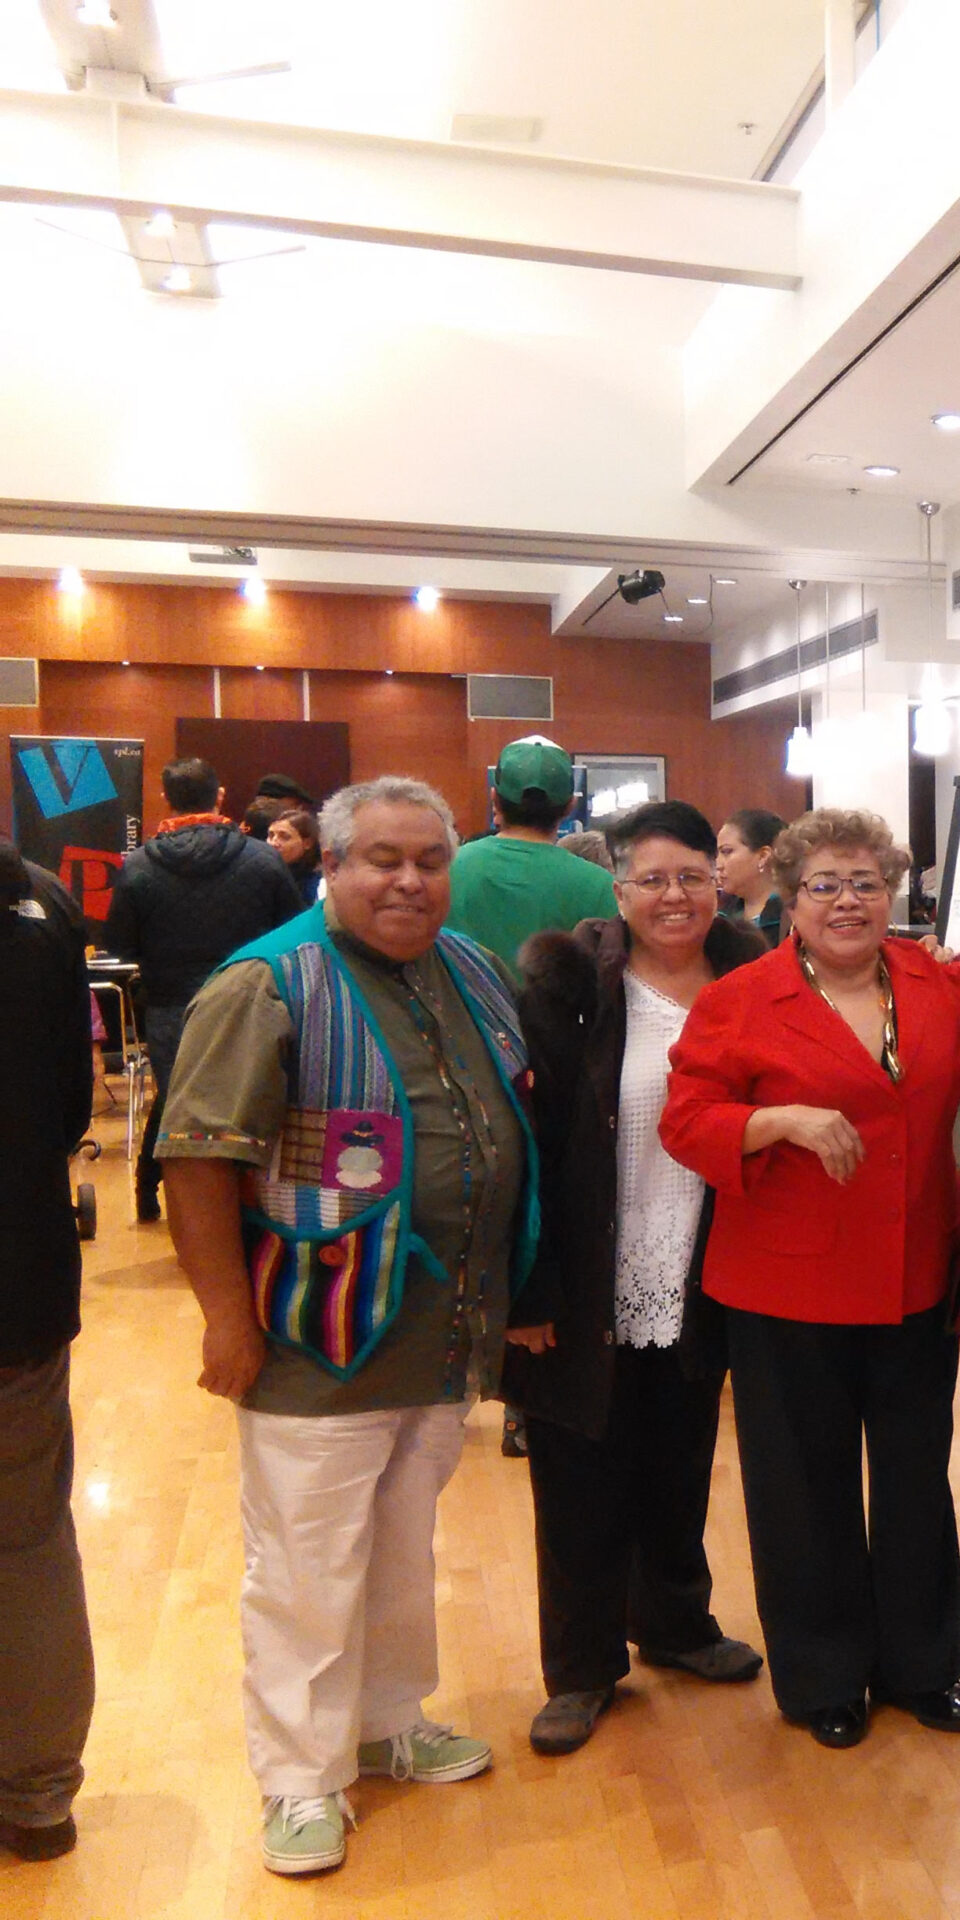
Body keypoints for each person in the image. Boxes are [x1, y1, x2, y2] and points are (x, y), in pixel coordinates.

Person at [156, 776, 535, 1878]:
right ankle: (297, 1778)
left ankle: (384, 1723)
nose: (409, 880)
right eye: (380, 858)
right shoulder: (264, 982)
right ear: (329, 866)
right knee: (303, 1564)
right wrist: (227, 1318)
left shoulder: (468, 968)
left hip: (436, 1330)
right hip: (312, 1337)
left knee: (400, 1547)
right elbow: (196, 1159)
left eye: (428, 859)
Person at [660, 809, 960, 1751]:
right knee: (802, 1490)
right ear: (790, 897)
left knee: (916, 1481)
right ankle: (822, 1675)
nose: (848, 902)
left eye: (866, 884)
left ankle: (925, 1665)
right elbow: (685, 1123)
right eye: (825, 885)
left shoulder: (943, 984)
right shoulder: (739, 999)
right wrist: (777, 1124)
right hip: (784, 1290)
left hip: (917, 1276)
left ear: (894, 895)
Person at [504, 802, 767, 1757]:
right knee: (578, 1464)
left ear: (719, 879)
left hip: (702, 1263)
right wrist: (527, 1289)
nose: (674, 896)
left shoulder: (753, 974)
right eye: (651, 878)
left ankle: (675, 1623)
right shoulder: (569, 983)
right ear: (616, 888)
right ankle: (578, 1669)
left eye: (692, 876)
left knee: (680, 1452)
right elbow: (529, 1143)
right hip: (588, 1261)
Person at [0, 848, 98, 1862]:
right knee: (25, 1538)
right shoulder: (43, 924)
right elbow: (71, 1110)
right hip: (17, 1279)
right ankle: (36, 1792)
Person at [103, 756, 304, 1223]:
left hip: (171, 1003)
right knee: (251, 1102)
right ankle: (246, 1210)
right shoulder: (263, 860)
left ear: (166, 799)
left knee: (180, 1106)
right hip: (251, 1000)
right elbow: (295, 931)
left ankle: (163, 1198)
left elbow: (118, 943)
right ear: (219, 795)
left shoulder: (137, 866)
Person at [444, 736, 616, 983]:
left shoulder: (447, 870)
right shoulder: (599, 885)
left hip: (462, 1020)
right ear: (571, 806)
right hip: (560, 1022)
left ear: (494, 798)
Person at [715, 807, 788, 949]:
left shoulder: (792, 915)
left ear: (763, 856)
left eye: (727, 852)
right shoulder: (721, 915)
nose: (718, 864)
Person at [266, 809, 324, 906]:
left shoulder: (319, 885)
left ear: (307, 843)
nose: (274, 843)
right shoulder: (263, 873)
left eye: (284, 837)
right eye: (271, 835)